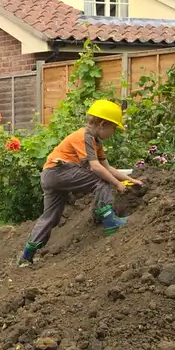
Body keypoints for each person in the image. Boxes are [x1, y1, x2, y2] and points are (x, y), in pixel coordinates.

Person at [18, 99, 141, 267]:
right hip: (58, 172)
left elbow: (107, 167)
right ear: (103, 124)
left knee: (50, 217)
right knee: (100, 180)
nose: (113, 133)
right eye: (113, 129)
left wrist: (130, 180)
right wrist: (117, 185)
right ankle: (109, 221)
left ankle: (26, 255)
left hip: (50, 175)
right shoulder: (85, 137)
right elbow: (96, 168)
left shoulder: (95, 141)